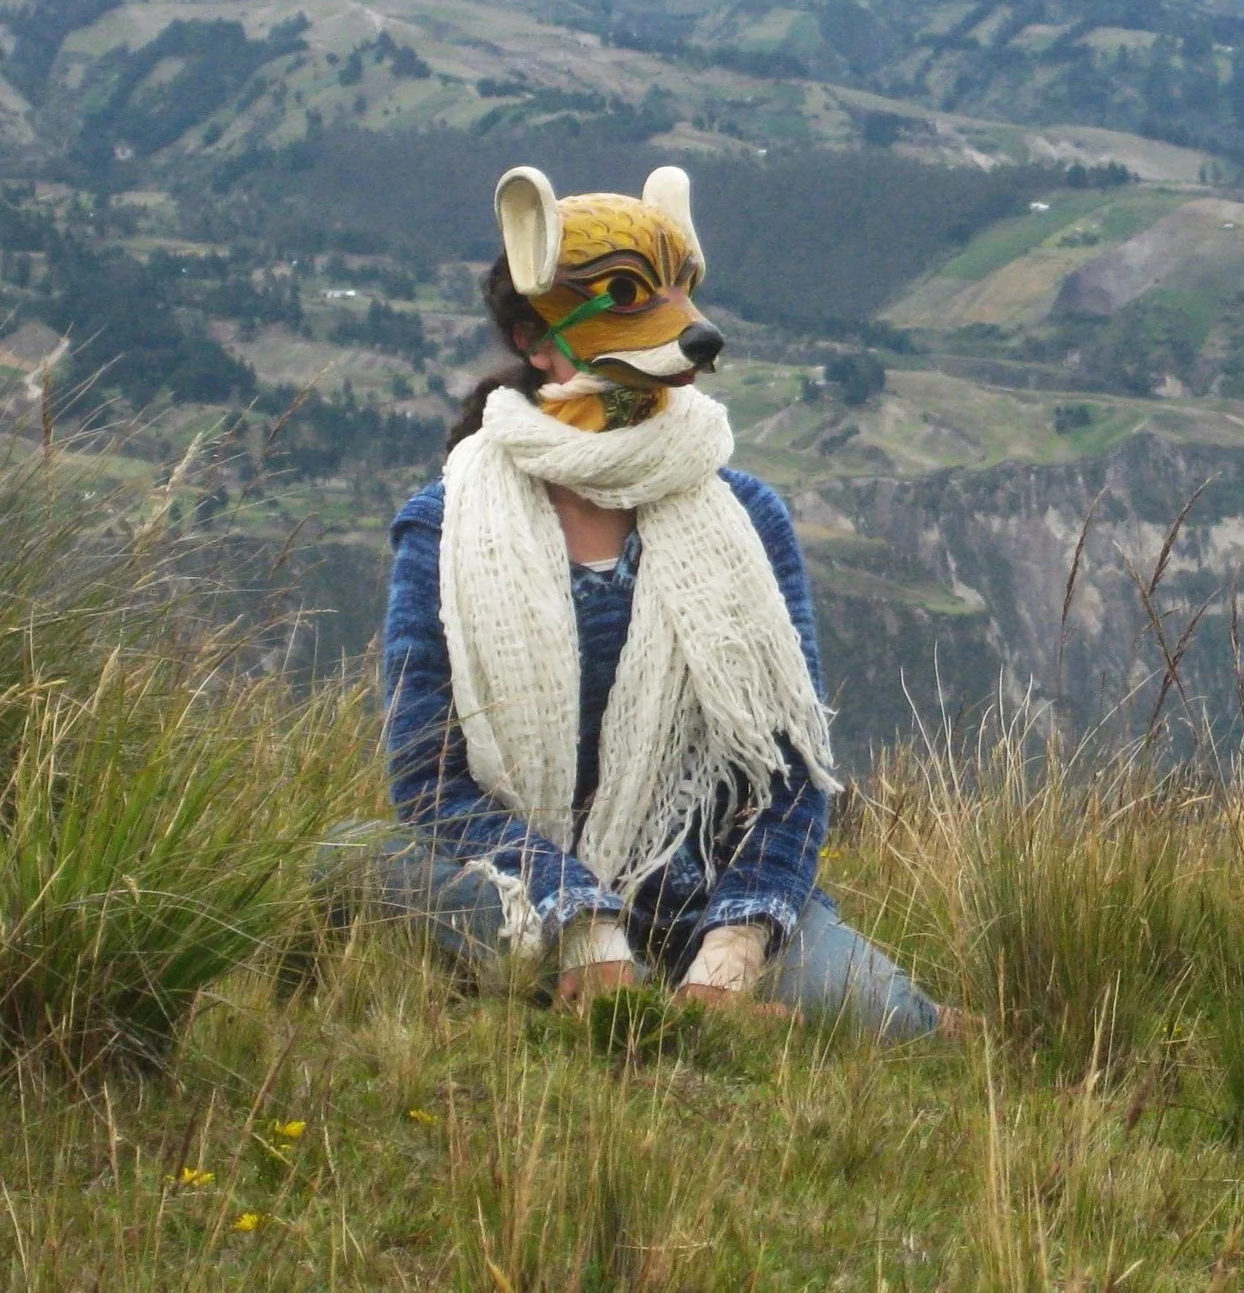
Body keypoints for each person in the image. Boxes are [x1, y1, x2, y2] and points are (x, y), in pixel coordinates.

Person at [331, 163, 958, 1038]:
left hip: (702, 888)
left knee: (887, 1025)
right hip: (519, 886)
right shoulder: (445, 525)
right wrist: (580, 918)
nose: (686, 331)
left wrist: (736, 940)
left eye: (678, 291)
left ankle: (671, 994)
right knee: (340, 868)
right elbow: (428, 780)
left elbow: (790, 771)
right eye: (627, 295)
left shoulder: (746, 514)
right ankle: (606, 984)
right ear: (537, 339)